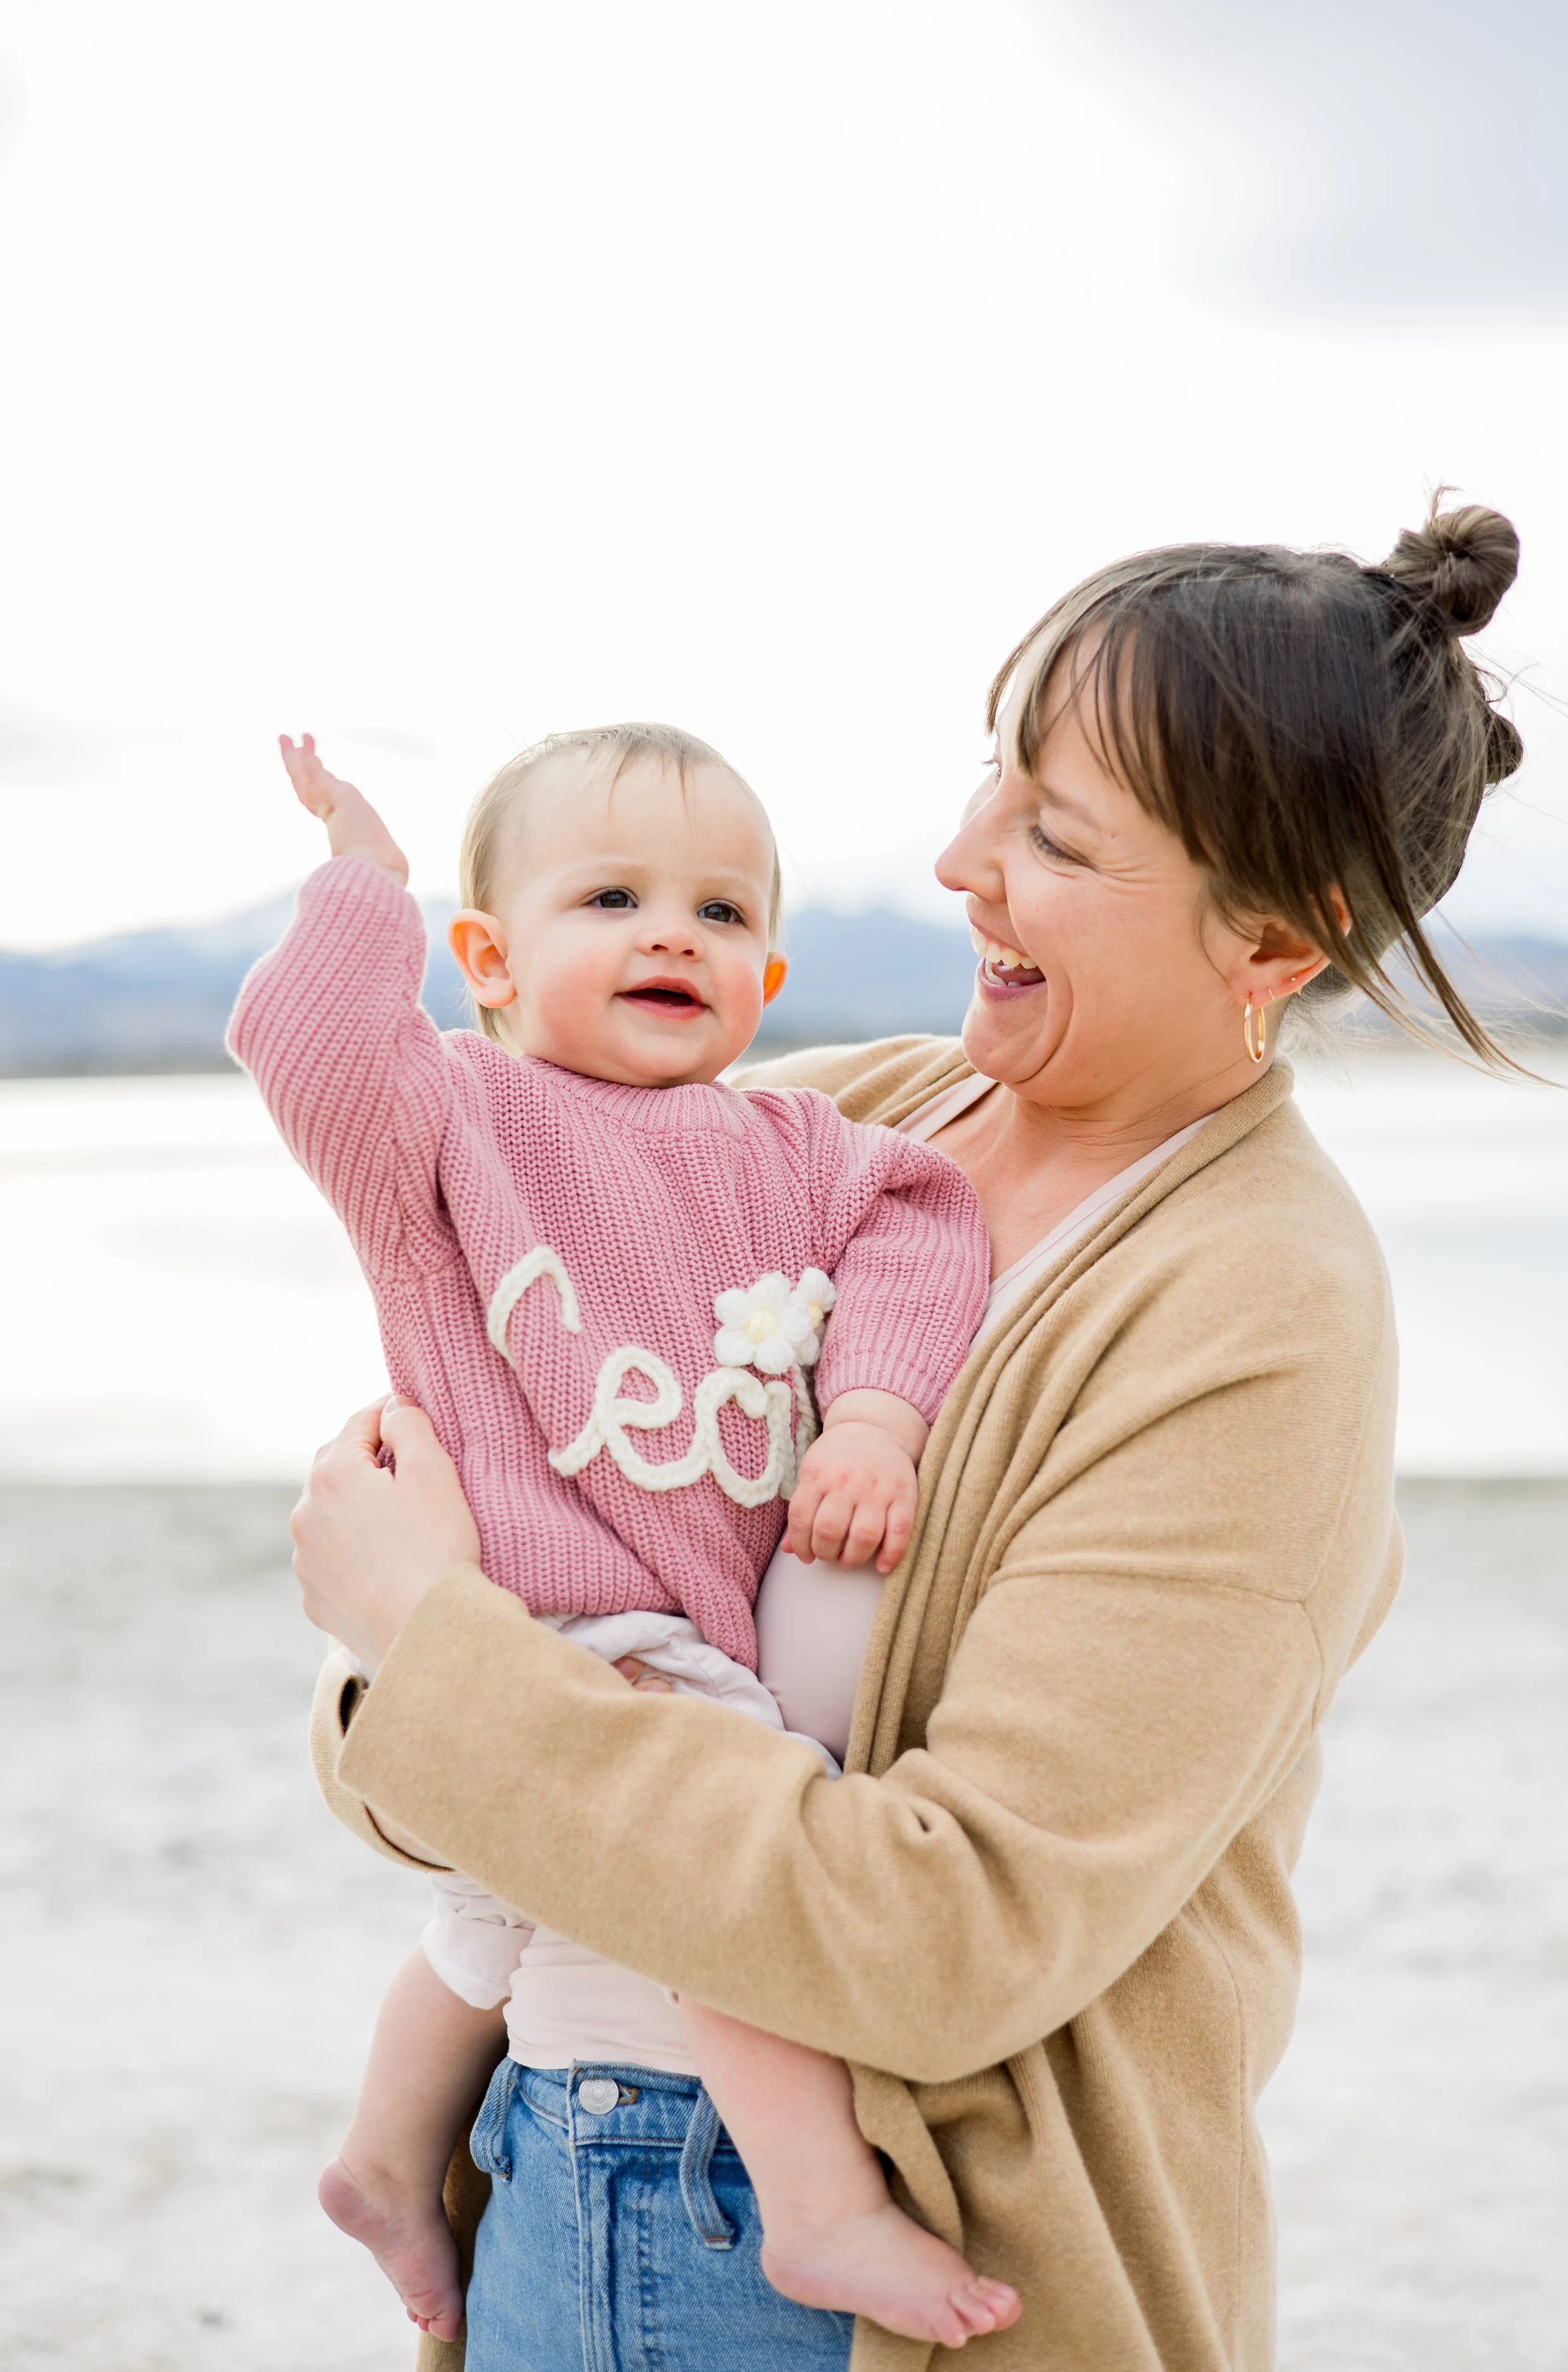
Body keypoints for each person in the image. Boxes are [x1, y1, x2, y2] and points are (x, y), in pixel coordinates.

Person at [293, 499, 1524, 2372]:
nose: (959, 859)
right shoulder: (819, 1121)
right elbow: (406, 1693)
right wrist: (418, 1683)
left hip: (902, 2276)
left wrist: (442, 1671)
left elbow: (942, 1939)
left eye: (1053, 833)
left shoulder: (1252, 1315)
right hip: (548, 2163)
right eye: (988, 781)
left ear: (1275, 937)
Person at [229, 723, 1025, 2350]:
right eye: (610, 895)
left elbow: (923, 1230)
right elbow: (305, 1050)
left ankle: (387, 2160)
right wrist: (361, 888)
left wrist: (873, 1414)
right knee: (722, 1826)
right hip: (553, 1613)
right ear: (491, 961)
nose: (674, 933)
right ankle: (811, 2207)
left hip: (665, 1621)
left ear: (769, 974)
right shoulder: (447, 1122)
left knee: (493, 1913)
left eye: (722, 914)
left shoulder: (804, 1152)